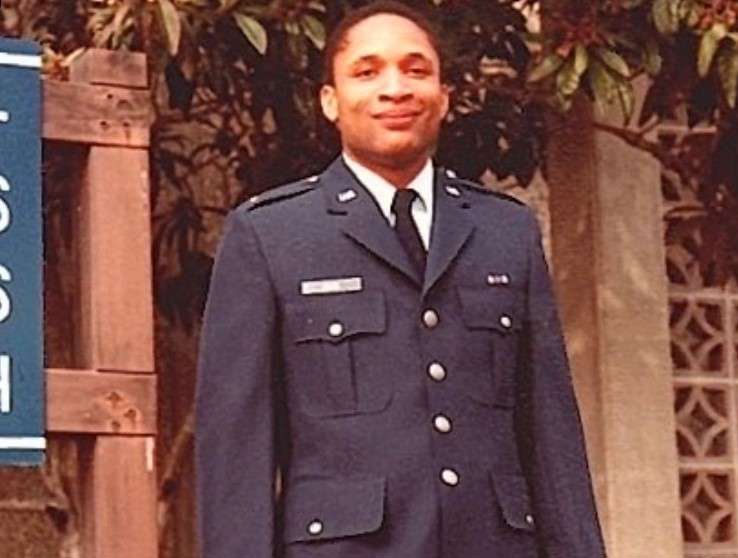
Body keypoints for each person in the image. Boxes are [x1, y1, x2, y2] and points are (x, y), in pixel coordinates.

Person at [195, 2, 607, 558]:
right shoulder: (272, 235)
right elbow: (236, 452)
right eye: (366, 72)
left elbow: (551, 435)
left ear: (444, 97)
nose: (395, 89)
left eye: (416, 70)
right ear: (330, 101)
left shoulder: (505, 230)